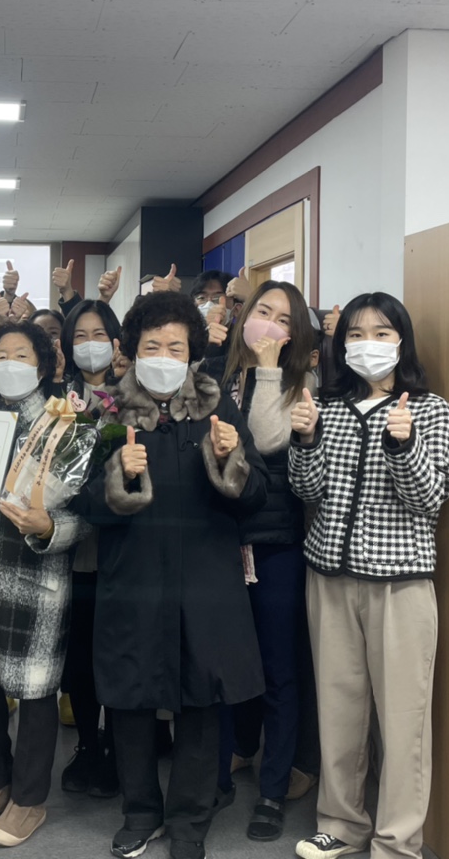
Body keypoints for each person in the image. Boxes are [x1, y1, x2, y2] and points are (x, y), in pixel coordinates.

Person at [84, 290, 270, 859]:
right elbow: (82, 503)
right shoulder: (106, 410)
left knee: (202, 701)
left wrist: (231, 459)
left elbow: (257, 496)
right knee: (131, 699)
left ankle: (190, 820)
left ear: (193, 354)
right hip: (133, 580)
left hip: (206, 583)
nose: (163, 356)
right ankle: (140, 812)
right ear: (131, 349)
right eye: (152, 346)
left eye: (176, 347)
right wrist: (117, 476)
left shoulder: (218, 408)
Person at [288, 293, 449, 859]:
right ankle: (342, 823)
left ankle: (398, 840)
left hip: (400, 583)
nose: (368, 345)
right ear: (341, 345)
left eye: (382, 333)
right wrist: (306, 440)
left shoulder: (430, 410)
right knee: (338, 710)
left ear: (402, 342)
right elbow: (306, 491)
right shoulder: (326, 406)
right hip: (330, 578)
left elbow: (430, 498)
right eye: (355, 335)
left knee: (404, 719)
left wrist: (403, 444)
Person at [0, 321, 90, 846]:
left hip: (33, 577)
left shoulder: (69, 429)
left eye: (21, 355)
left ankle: (28, 800)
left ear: (44, 364)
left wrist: (50, 528)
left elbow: (87, 519)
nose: (9, 364)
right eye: (0, 355)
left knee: (34, 691)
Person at [208, 281, 319, 841]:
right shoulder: (218, 375)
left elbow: (263, 443)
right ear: (244, 314)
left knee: (279, 670)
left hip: (276, 545)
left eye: (283, 319)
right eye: (262, 312)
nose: (269, 325)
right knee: (225, 667)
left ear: (295, 334)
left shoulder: (302, 385)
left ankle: (273, 789)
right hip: (221, 542)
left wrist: (271, 369)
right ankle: (226, 765)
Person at [58, 299, 124, 799]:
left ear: (116, 341)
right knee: (79, 655)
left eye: (98, 334)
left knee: (117, 652)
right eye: (79, 336)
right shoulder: (56, 400)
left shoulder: (136, 396)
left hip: (123, 549)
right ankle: (86, 744)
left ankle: (121, 747)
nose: (89, 344)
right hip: (73, 550)